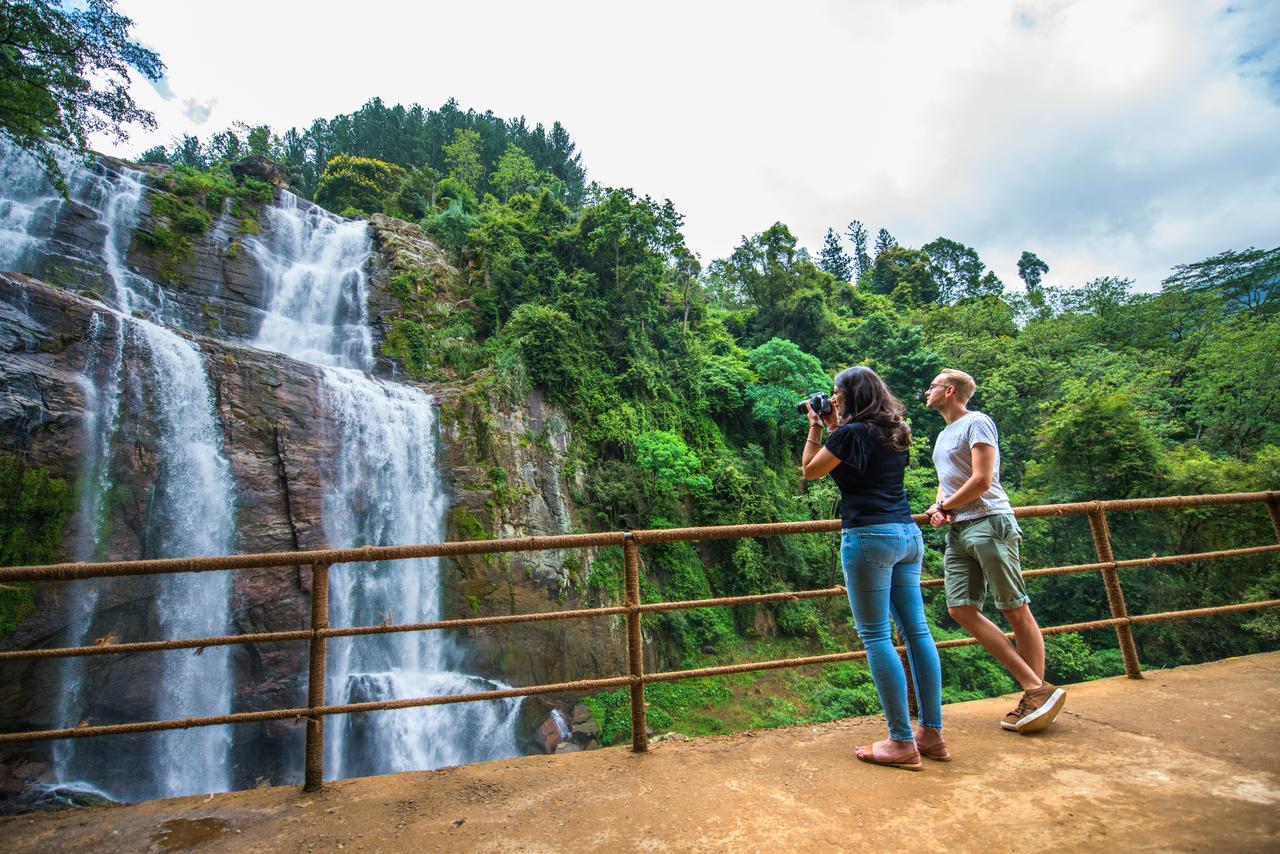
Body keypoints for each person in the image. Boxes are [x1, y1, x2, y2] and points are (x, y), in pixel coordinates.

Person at [802, 366, 946, 771]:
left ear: (850, 394)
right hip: (908, 536)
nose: (832, 399)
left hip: (868, 538)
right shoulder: (895, 431)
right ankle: (931, 734)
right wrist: (837, 424)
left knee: (876, 637)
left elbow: (811, 470)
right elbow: (856, 467)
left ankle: (901, 741)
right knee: (918, 632)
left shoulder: (849, 434)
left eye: (836, 393)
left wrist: (817, 427)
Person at [923, 369, 1065, 733]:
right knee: (960, 609)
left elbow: (983, 480)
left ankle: (1033, 698)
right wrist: (939, 506)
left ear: (949, 390)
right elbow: (946, 481)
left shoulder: (978, 422)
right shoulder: (942, 435)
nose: (928, 391)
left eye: (933, 386)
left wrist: (946, 506)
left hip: (989, 521)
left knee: (1015, 608)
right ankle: (1036, 688)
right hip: (958, 530)